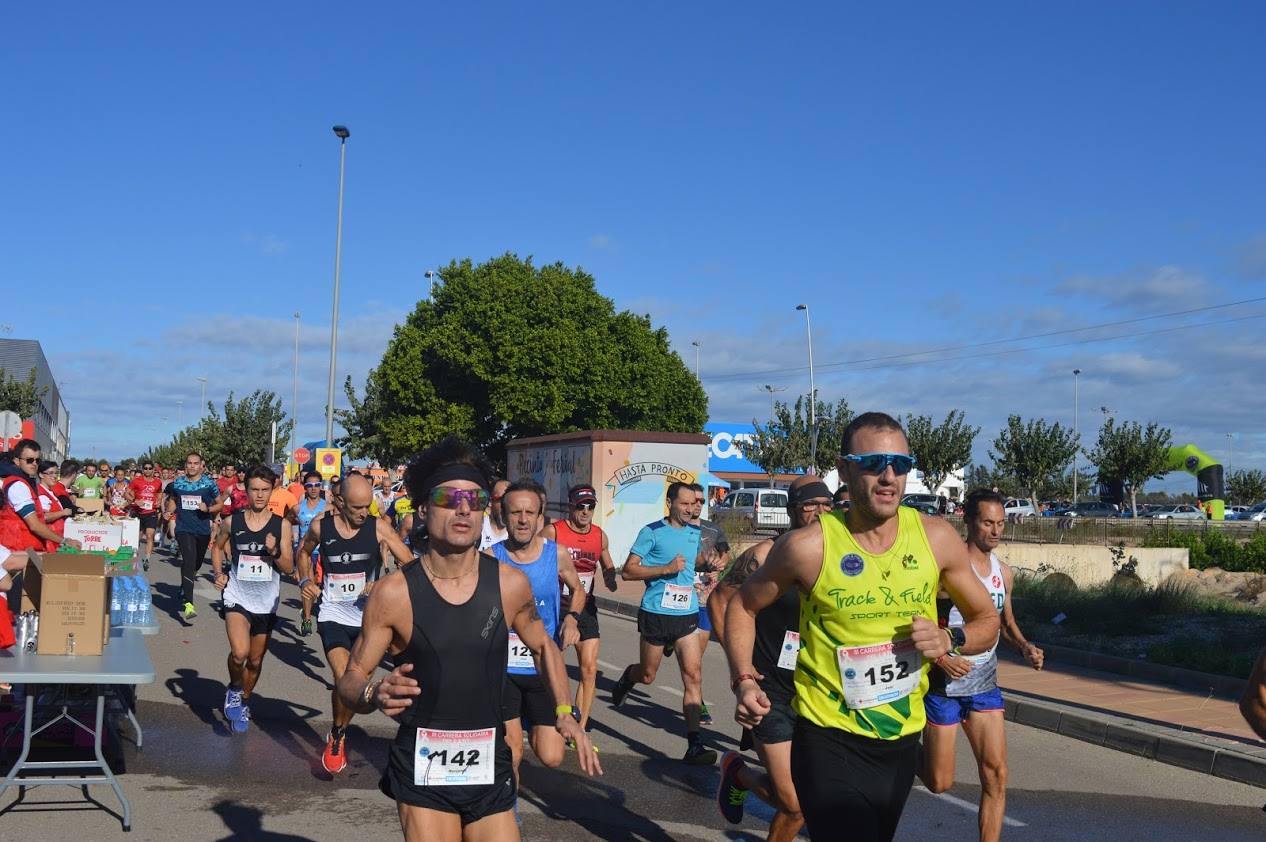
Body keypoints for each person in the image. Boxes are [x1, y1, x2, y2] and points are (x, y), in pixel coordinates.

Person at [726, 412, 1000, 842]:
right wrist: (744, 678)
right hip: (827, 736)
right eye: (873, 463)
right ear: (845, 468)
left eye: (901, 465)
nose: (889, 477)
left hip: (901, 736)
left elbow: (988, 620)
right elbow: (741, 605)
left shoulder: (936, 538)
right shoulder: (808, 546)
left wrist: (950, 638)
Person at [334, 436, 599, 841]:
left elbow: (544, 644)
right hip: (424, 762)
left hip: (488, 758)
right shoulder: (394, 593)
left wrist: (564, 709)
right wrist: (373, 693)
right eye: (448, 497)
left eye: (475, 500)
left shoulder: (510, 584)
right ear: (423, 508)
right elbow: (349, 679)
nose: (463, 508)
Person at [710, 475, 832, 840]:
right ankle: (740, 773)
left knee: (816, 796)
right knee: (794, 805)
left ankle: (740, 774)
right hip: (771, 691)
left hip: (817, 689)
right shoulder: (765, 555)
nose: (820, 512)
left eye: (827, 505)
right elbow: (720, 600)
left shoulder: (840, 559)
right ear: (794, 510)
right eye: (811, 505)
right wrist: (741, 669)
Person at [920, 488, 1043, 842]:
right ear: (969, 522)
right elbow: (921, 620)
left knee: (996, 774)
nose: (996, 531)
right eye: (988, 523)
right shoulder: (946, 572)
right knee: (939, 782)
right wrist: (942, 658)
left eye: (1001, 524)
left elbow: (1003, 622)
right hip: (944, 686)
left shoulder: (1003, 572)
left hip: (984, 685)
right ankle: (903, 755)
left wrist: (1024, 646)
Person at [297, 473, 414, 774]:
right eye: (358, 507)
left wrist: (384, 584)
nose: (365, 512)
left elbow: (411, 566)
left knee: (354, 687)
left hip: (370, 620)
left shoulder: (379, 528)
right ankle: (337, 737)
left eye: (368, 506)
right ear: (339, 503)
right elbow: (303, 553)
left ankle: (338, 730)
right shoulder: (320, 527)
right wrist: (306, 580)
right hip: (333, 613)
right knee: (343, 678)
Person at [610, 481, 717, 765]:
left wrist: (706, 563)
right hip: (656, 613)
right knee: (648, 675)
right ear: (670, 503)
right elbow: (629, 572)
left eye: (694, 504)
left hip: (687, 613)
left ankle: (694, 745)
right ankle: (627, 678)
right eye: (684, 504)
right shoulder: (651, 532)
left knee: (693, 676)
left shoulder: (696, 532)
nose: (690, 509)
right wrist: (665, 569)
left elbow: (691, 563)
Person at [491, 480, 587, 782]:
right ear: (504, 517)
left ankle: (533, 725)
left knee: (552, 756)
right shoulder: (491, 558)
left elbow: (578, 590)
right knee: (512, 754)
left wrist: (571, 618)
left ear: (540, 516)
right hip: (503, 669)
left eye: (529, 512)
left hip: (544, 666)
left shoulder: (555, 554)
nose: (522, 519)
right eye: (515, 512)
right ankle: (509, 816)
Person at [210, 465, 295, 734]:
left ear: (273, 490)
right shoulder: (232, 521)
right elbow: (217, 547)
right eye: (254, 490)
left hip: (266, 602)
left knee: (255, 661)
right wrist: (219, 573)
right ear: (245, 491)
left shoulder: (281, 525)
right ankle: (234, 689)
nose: (259, 495)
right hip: (237, 596)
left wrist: (273, 551)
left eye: (265, 490)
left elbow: (288, 568)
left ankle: (244, 699)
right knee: (240, 653)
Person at [541, 484, 618, 735]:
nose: (585, 511)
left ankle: (580, 727)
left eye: (590, 506)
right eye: (580, 506)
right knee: (555, 667)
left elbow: (607, 563)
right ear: (570, 506)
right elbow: (533, 560)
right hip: (556, 607)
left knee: (589, 668)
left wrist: (611, 577)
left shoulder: (600, 536)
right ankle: (552, 716)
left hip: (585, 607)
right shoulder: (553, 532)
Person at [163, 452, 222, 621]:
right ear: (186, 464)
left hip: (202, 530)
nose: (192, 466)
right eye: (189, 463)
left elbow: (219, 504)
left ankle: (184, 585)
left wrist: (208, 510)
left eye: (195, 463)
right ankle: (189, 604)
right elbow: (174, 500)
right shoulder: (178, 482)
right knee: (188, 561)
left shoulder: (209, 484)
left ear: (201, 465)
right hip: (183, 529)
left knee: (195, 564)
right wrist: (169, 511)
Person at [689, 482, 728, 725]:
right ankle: (630, 678)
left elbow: (725, 555)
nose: (696, 505)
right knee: (648, 671)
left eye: (701, 501)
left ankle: (698, 702)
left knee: (695, 659)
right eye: (692, 501)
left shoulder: (712, 530)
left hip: (703, 599)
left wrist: (718, 567)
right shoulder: (668, 529)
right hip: (675, 600)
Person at [294, 471, 327, 636]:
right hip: (305, 552)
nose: (313, 489)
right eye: (309, 485)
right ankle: (307, 619)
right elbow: (286, 524)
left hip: (324, 551)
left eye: (317, 485)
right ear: (304, 487)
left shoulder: (328, 507)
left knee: (321, 586)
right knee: (309, 582)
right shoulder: (298, 508)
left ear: (321, 487)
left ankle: (318, 612)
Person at [127, 461, 164, 571]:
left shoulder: (158, 482)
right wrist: (135, 501)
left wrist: (159, 500)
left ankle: (147, 559)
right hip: (138, 512)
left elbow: (160, 492)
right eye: (146, 468)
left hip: (151, 512)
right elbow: (126, 493)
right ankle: (134, 558)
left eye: (150, 468)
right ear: (143, 470)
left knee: (150, 535)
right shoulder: (136, 481)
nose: (148, 470)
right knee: (137, 538)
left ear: (153, 470)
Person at [35, 460, 73, 550]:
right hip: (50, 541)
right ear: (41, 475)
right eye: (50, 473)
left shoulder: (49, 491)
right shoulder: (42, 493)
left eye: (56, 473)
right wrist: (63, 513)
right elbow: (44, 517)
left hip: (55, 538)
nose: (55, 476)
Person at [479, 478, 510, 551]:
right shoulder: (478, 527)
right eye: (501, 499)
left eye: (510, 500)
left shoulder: (518, 533)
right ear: (490, 502)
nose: (506, 504)